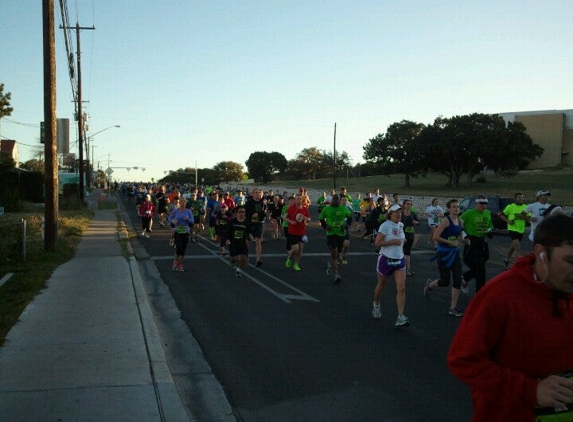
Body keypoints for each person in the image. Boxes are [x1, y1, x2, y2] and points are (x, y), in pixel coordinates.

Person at [447, 214, 573, 421]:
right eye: (570, 261)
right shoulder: (501, 294)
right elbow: (462, 360)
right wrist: (531, 390)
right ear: (541, 254)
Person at [424, 199, 469, 317]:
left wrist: (464, 241)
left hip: (455, 253)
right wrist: (449, 242)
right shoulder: (445, 221)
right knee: (445, 281)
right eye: (453, 207)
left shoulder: (461, 221)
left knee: (458, 278)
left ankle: (453, 307)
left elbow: (458, 236)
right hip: (443, 254)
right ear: (449, 209)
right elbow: (435, 236)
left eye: (458, 207)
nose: (456, 209)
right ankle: (430, 285)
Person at [371, 204, 409, 327]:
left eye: (400, 213)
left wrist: (403, 241)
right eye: (396, 213)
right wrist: (392, 242)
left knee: (401, 288)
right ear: (390, 214)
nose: (399, 215)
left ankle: (400, 316)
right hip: (386, 259)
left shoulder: (401, 225)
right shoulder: (385, 225)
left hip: (399, 260)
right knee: (381, 285)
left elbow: (400, 238)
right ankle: (376, 303)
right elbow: (377, 243)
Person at [460, 194, 494, 293]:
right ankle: (479, 292)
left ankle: (467, 279)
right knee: (479, 270)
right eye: (482, 203)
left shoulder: (487, 213)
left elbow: (490, 226)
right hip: (472, 242)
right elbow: (459, 223)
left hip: (482, 243)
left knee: (481, 269)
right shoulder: (469, 213)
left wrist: (490, 231)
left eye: (486, 203)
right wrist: (464, 235)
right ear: (476, 203)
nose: (484, 205)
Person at [319, 194, 352, 283]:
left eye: (338, 200)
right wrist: (325, 227)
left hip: (341, 233)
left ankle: (334, 261)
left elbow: (350, 216)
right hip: (331, 233)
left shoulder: (343, 208)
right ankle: (336, 274)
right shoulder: (327, 209)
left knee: (339, 251)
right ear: (332, 200)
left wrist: (347, 225)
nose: (336, 201)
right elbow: (321, 219)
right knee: (334, 252)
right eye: (335, 200)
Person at [499, 192, 528, 269]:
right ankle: (517, 266)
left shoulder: (526, 207)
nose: (521, 199)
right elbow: (501, 215)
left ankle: (506, 259)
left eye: (522, 197)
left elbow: (529, 219)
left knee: (513, 247)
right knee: (517, 247)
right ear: (515, 198)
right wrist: (508, 221)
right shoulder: (510, 207)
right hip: (512, 229)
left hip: (521, 229)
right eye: (519, 197)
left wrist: (523, 217)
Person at [284, 193, 311, 272]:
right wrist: (291, 221)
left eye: (300, 199)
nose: (299, 200)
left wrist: (306, 218)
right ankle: (289, 257)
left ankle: (296, 264)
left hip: (302, 231)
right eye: (297, 199)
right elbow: (284, 217)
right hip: (292, 231)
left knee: (300, 249)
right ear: (295, 200)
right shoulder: (290, 209)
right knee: (295, 248)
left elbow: (309, 219)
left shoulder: (305, 209)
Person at [167, 196, 194, 272]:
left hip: (185, 232)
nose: (182, 203)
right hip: (178, 232)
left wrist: (188, 219)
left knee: (183, 251)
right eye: (181, 201)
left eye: (184, 201)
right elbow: (169, 218)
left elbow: (192, 221)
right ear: (179, 202)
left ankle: (180, 264)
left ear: (186, 203)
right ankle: (175, 262)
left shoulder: (188, 211)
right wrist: (173, 221)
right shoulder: (176, 211)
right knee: (179, 249)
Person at [245, 188, 267, 267]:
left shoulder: (263, 203)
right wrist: (251, 215)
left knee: (258, 240)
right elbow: (245, 213)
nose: (258, 194)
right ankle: (246, 255)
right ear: (253, 194)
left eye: (259, 192)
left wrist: (258, 214)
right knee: (248, 241)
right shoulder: (249, 203)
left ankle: (258, 259)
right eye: (256, 192)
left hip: (258, 223)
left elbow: (264, 213)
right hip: (249, 224)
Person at [226, 205, 250, 278]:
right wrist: (227, 239)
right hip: (233, 243)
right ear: (236, 213)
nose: (242, 213)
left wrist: (250, 238)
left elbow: (249, 232)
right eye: (240, 212)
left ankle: (238, 270)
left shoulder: (246, 222)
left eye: (243, 212)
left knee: (244, 259)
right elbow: (228, 232)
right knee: (236, 258)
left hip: (242, 243)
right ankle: (233, 260)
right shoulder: (232, 221)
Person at [400, 199, 419, 275]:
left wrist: (415, 222)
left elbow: (418, 222)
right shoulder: (400, 214)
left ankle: (407, 270)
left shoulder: (413, 214)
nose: (409, 205)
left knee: (407, 252)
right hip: (401, 234)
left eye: (410, 204)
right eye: (407, 204)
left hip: (410, 234)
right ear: (404, 205)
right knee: (400, 251)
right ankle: (399, 268)